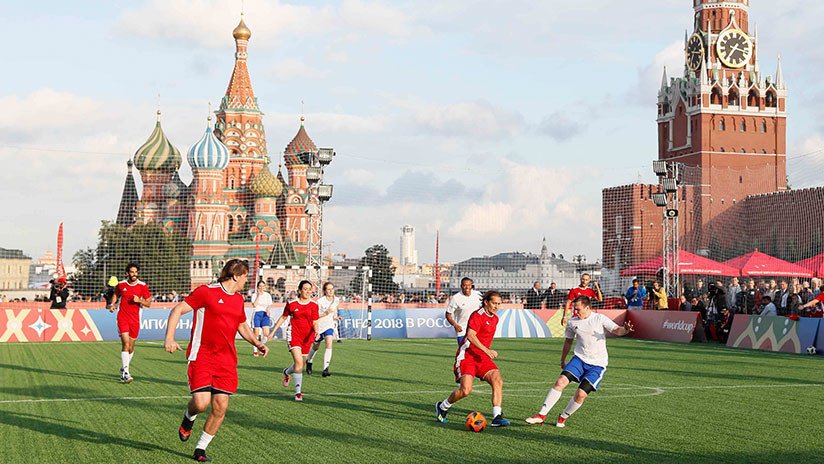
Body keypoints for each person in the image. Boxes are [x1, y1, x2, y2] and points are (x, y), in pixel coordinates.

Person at [164, 259, 268, 463]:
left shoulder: (238, 300)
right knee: (201, 404)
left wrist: (257, 342)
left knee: (220, 406)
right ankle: (188, 417)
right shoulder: (206, 292)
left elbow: (241, 325)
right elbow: (177, 310)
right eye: (246, 276)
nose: (247, 281)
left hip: (226, 361)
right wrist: (169, 337)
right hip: (201, 356)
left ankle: (200, 449)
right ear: (236, 275)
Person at [526, 296, 633, 427]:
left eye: (578, 309)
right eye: (574, 309)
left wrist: (625, 330)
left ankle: (563, 416)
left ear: (587, 307)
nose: (575, 312)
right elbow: (568, 341)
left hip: (597, 365)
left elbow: (617, 329)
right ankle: (541, 415)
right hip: (579, 359)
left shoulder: (599, 318)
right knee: (560, 381)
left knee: (581, 395)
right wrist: (562, 359)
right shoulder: (572, 322)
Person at [436, 290, 510, 427]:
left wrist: (485, 352)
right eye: (494, 303)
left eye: (499, 304)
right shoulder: (477, 315)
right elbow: (470, 335)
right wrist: (487, 350)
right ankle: (443, 406)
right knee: (465, 390)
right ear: (486, 302)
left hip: (482, 358)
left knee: (497, 380)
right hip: (468, 356)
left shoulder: (495, 318)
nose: (496, 306)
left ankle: (497, 416)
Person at [271, 280, 320, 401]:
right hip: (294, 335)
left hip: (308, 337)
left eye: (310, 289)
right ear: (299, 291)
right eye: (305, 289)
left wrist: (317, 331)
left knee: (300, 365)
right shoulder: (292, 304)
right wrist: (272, 331)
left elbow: (315, 321)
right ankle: (298, 392)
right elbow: (283, 317)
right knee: (298, 362)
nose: (308, 291)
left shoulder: (314, 305)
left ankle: (286, 372)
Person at [106, 263, 151, 383]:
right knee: (125, 343)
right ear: (127, 273)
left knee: (131, 347)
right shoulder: (121, 285)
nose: (134, 274)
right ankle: (125, 373)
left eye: (136, 272)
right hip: (123, 318)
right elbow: (116, 294)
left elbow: (148, 303)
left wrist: (139, 300)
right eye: (132, 272)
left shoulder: (143, 286)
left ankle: (124, 367)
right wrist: (112, 304)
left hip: (135, 319)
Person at [306, 282, 341, 377]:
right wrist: (325, 313)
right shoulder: (320, 301)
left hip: (329, 326)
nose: (331, 291)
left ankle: (325, 368)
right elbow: (315, 316)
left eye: (332, 289)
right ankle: (309, 362)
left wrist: (336, 317)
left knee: (329, 343)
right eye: (328, 289)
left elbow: (334, 311)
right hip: (319, 326)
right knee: (315, 346)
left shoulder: (336, 300)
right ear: (325, 291)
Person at [444, 277, 483, 346]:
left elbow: (483, 307)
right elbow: (448, 314)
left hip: (477, 329)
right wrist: (455, 325)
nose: (467, 287)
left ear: (472, 286)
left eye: (469, 285)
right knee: (463, 353)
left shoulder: (478, 294)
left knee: (477, 353)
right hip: (462, 330)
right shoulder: (456, 298)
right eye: (464, 285)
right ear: (461, 286)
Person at [250, 280, 273, 357]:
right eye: (260, 286)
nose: (261, 288)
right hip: (257, 314)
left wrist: (268, 309)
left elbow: (269, 305)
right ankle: (255, 350)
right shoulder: (254, 295)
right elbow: (254, 305)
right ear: (257, 287)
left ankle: (261, 346)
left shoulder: (267, 295)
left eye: (263, 286)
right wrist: (258, 296)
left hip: (265, 314)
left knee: (266, 334)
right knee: (256, 334)